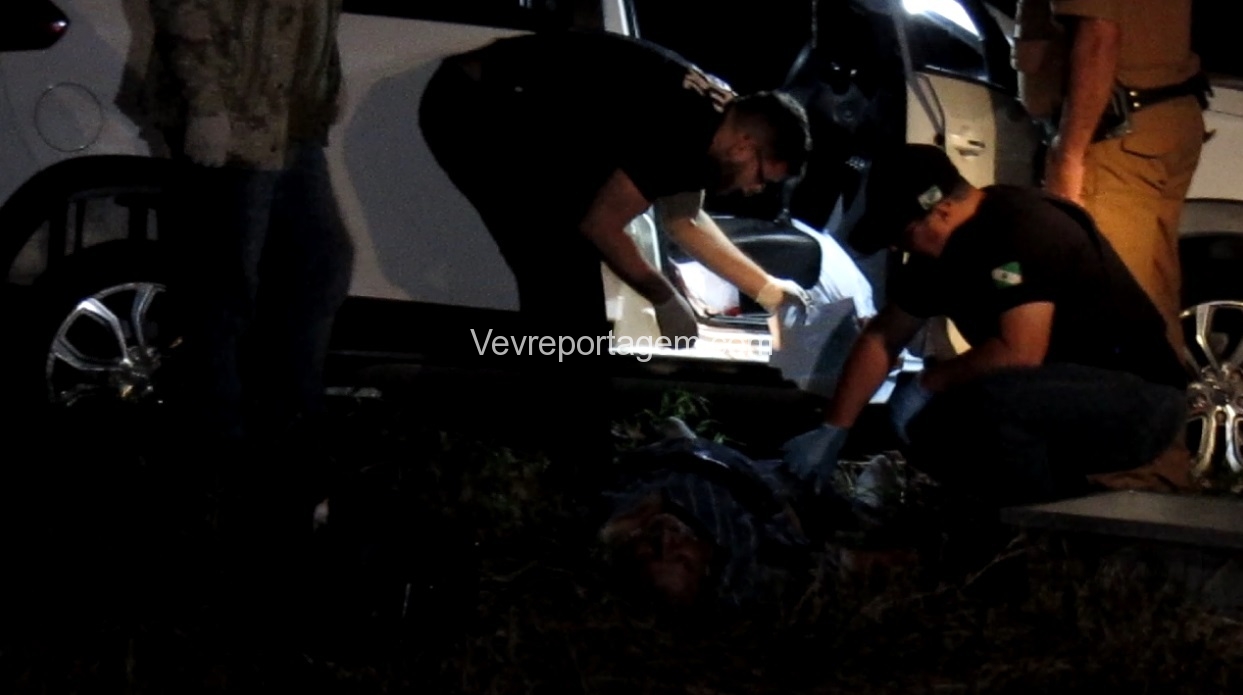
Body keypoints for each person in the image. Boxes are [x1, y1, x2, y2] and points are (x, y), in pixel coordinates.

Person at [418, 29, 815, 482]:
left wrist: (766, 290)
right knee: (560, 273)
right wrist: (663, 297)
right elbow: (601, 224)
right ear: (745, 146)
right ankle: (564, 458)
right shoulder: (685, 128)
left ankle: (566, 447)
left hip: (511, 104)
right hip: (472, 104)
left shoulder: (719, 118)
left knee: (567, 283)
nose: (755, 189)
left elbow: (684, 220)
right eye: (762, 177)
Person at [782, 143, 1195, 510]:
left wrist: (930, 382)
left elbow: (1021, 351)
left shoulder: (1023, 227)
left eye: (903, 234)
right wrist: (835, 428)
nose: (896, 246)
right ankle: (1033, 513)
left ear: (941, 209)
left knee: (986, 404)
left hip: (1140, 399)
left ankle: (1034, 532)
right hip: (1056, 392)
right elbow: (883, 336)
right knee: (930, 423)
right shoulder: (936, 250)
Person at [145, 0, 355, 453]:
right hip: (235, 114)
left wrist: (327, 77)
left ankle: (290, 414)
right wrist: (205, 103)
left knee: (321, 262)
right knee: (225, 287)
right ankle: (221, 435)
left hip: (285, 119)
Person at [1015, 0, 1210, 354]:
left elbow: (1098, 38)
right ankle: (1165, 387)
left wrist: (1069, 154)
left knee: (1105, 310)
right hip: (1162, 116)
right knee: (1152, 302)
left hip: (1114, 135)